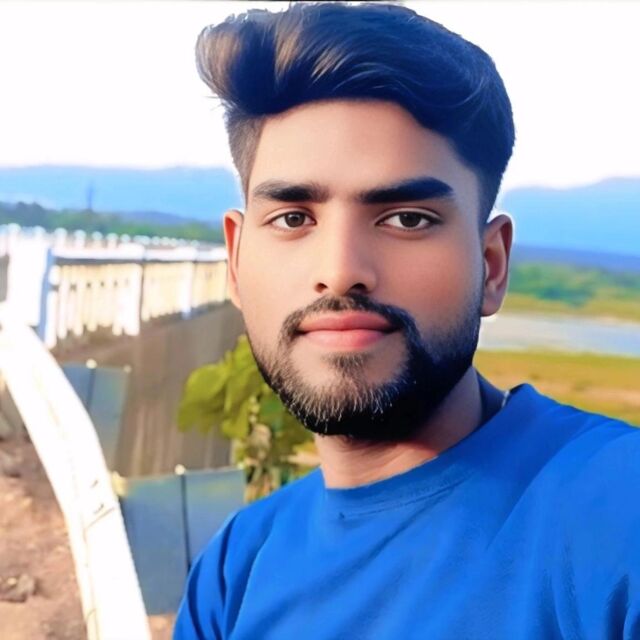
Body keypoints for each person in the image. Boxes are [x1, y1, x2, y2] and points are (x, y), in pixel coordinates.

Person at [174, 4, 639, 638]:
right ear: (236, 260)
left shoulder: (619, 515)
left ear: (491, 265)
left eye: (407, 219)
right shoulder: (236, 569)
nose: (340, 271)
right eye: (293, 218)